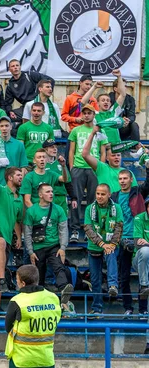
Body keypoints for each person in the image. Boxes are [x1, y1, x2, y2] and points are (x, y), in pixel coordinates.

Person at [5, 264, 61, 368]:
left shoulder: (17, 301)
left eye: (17, 281)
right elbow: (56, 318)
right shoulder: (53, 297)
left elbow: (8, 327)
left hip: (21, 359)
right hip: (45, 357)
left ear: (23, 283)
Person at [0, 160, 24, 315]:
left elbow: (15, 220)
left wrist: (19, 238)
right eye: (18, 175)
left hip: (7, 237)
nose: (21, 177)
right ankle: (3, 279)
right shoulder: (0, 190)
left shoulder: (19, 198)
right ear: (9, 178)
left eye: (22, 175)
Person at [23, 184, 73, 306]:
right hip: (38, 247)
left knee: (58, 266)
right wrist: (30, 251)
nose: (51, 194)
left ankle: (64, 290)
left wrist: (62, 248)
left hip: (54, 246)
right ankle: (38, 299)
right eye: (48, 192)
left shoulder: (58, 209)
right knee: (38, 273)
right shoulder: (31, 211)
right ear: (40, 195)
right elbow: (28, 232)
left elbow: (63, 230)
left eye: (52, 191)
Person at [68, 104, 107, 241]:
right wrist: (72, 167)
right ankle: (74, 230)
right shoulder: (76, 130)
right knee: (75, 200)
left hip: (93, 169)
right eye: (84, 113)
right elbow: (71, 150)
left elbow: (103, 152)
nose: (86, 115)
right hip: (78, 167)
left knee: (93, 200)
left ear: (93, 115)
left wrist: (100, 168)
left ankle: (92, 230)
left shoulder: (100, 132)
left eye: (89, 113)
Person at [83, 184, 123, 316]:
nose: (99, 196)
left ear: (109, 195)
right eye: (98, 194)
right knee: (95, 279)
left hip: (110, 245)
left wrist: (112, 244)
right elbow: (88, 229)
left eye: (103, 194)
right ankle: (97, 308)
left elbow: (119, 227)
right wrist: (102, 244)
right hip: (94, 247)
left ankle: (113, 286)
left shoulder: (116, 208)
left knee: (110, 253)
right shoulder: (90, 208)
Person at [114, 170, 149, 318]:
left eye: (125, 178)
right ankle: (128, 307)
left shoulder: (137, 191)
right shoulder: (114, 196)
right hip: (121, 241)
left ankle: (142, 309)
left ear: (131, 179)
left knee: (143, 273)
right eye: (120, 179)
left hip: (137, 238)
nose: (122, 181)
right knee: (124, 276)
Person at [82, 126, 137, 194]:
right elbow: (85, 154)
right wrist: (92, 133)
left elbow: (135, 193)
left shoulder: (128, 173)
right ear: (107, 158)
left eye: (118, 155)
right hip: (106, 203)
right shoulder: (102, 168)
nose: (116, 157)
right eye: (113, 155)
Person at [0, 116, 28, 185]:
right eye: (2, 126)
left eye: (6, 126)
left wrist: (19, 183)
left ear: (11, 127)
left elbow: (23, 167)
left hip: (14, 184)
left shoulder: (19, 145)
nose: (4, 128)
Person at [95, 70, 126, 144]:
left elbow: (123, 94)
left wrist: (119, 77)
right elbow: (83, 103)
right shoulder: (94, 115)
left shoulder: (113, 111)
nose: (106, 102)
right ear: (98, 103)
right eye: (103, 100)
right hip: (102, 147)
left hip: (115, 147)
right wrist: (94, 87)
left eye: (108, 100)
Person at [134, 198, 149, 312]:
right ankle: (144, 286)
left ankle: (143, 311)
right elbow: (137, 243)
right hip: (139, 257)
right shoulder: (139, 218)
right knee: (145, 251)